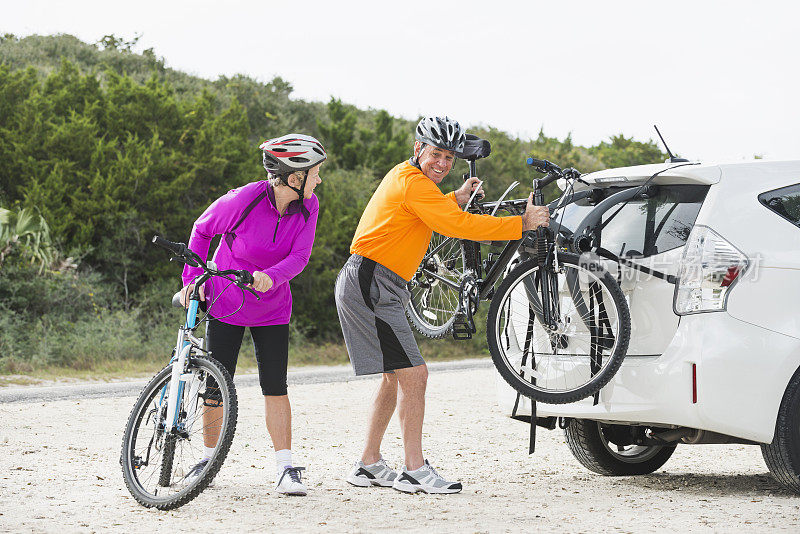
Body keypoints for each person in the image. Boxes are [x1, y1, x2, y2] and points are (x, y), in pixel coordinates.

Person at [335, 116, 551, 494]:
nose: (443, 163)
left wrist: (455, 198)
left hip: (374, 281)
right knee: (415, 374)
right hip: (372, 282)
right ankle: (414, 470)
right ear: (418, 149)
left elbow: (430, 213)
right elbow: (458, 227)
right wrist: (522, 223)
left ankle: (368, 464)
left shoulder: (411, 180)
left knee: (395, 376)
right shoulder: (413, 183)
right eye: (436, 154)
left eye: (449, 158)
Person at [179, 134, 326, 496]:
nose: (319, 180)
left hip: (274, 306)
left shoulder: (309, 206)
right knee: (217, 385)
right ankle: (208, 461)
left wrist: (271, 277)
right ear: (294, 177)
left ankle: (285, 468)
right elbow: (201, 230)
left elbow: (300, 256)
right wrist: (193, 279)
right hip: (227, 301)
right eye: (316, 173)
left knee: (275, 385)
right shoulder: (243, 199)